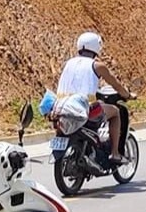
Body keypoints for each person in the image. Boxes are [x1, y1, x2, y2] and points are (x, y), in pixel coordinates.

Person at [56, 31, 132, 165]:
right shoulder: (98, 66)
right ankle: (115, 154)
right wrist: (127, 95)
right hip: (84, 108)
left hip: (60, 106)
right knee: (115, 112)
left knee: (100, 106)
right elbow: (115, 84)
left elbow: (76, 82)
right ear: (97, 47)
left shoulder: (68, 63)